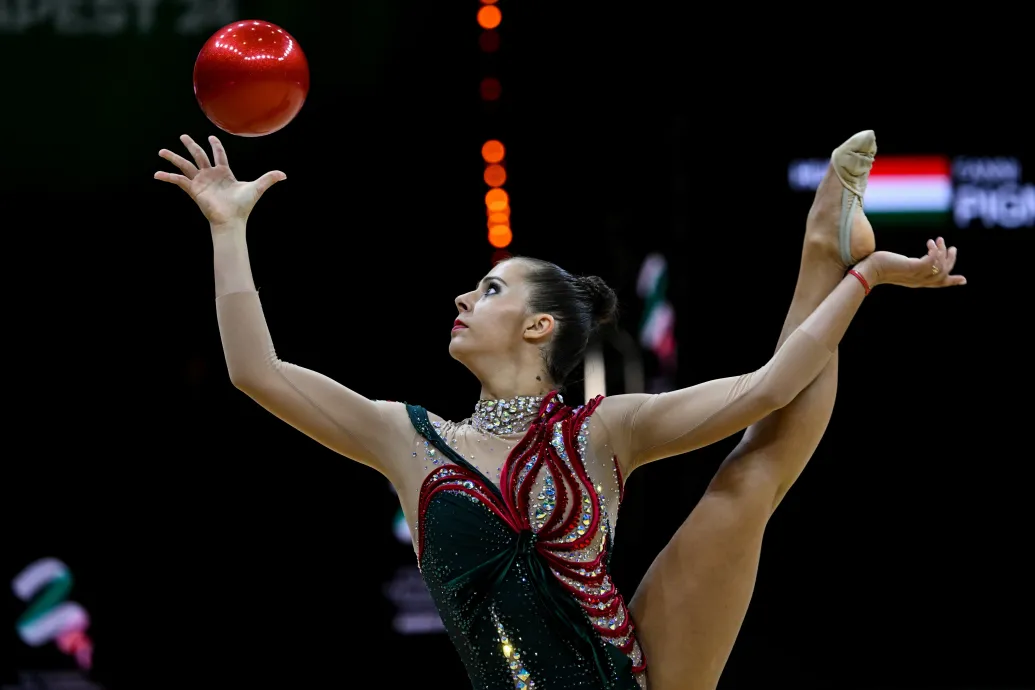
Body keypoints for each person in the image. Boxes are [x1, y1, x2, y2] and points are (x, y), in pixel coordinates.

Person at [155, 130, 965, 690]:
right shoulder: (408, 441)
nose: (465, 297)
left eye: (491, 288)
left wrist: (863, 280)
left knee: (753, 474)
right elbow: (256, 371)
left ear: (540, 326)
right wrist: (228, 228)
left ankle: (823, 243)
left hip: (638, 675)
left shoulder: (601, 429)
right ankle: (829, 252)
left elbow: (767, 387)